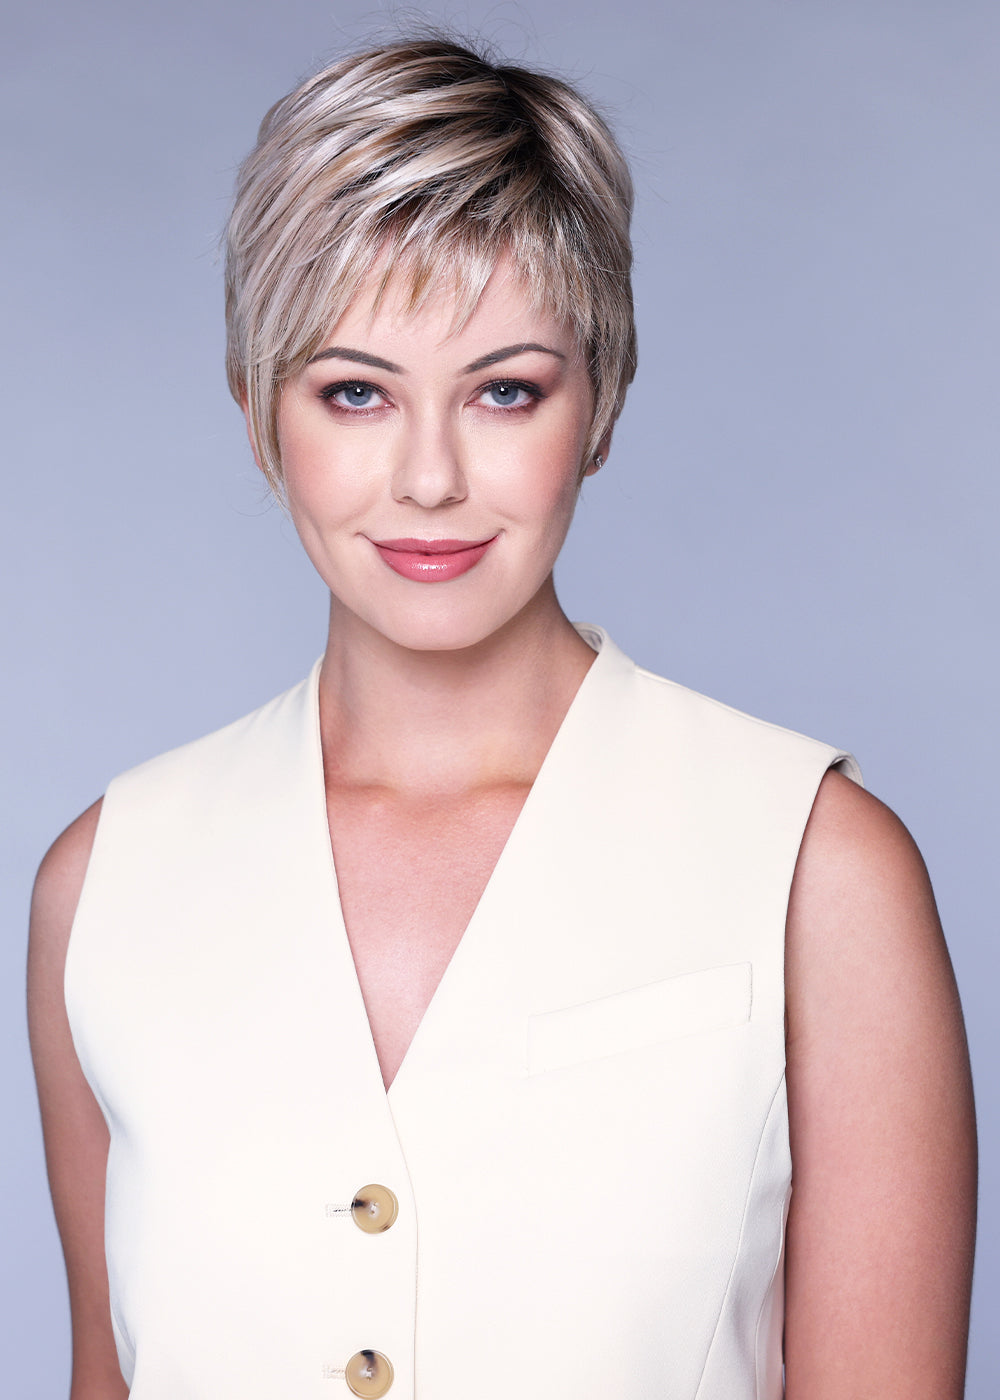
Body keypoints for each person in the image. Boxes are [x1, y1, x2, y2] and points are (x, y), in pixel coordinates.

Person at [27, 35, 976, 1400]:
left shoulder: (820, 871)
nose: (429, 477)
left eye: (505, 391)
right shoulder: (104, 884)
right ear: (256, 412)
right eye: (355, 392)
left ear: (601, 404)